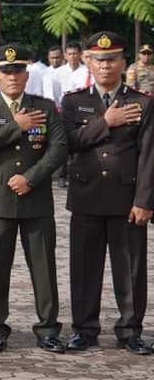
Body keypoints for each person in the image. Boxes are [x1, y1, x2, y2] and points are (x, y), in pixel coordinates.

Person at [0, 43, 67, 354]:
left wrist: (31, 178)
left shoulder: (45, 107)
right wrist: (16, 126)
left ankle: (48, 328)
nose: (12, 76)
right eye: (5, 71)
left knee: (43, 266)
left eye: (18, 70)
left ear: (27, 74)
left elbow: (59, 148)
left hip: (36, 198)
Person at [61, 32, 154, 355]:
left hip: (126, 199)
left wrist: (144, 200)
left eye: (111, 59)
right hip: (86, 197)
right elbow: (68, 143)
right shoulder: (73, 101)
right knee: (84, 268)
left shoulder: (142, 102)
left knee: (130, 270)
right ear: (88, 62)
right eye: (99, 60)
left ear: (123, 63)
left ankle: (130, 331)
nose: (105, 66)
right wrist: (106, 121)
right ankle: (84, 330)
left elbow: (149, 154)